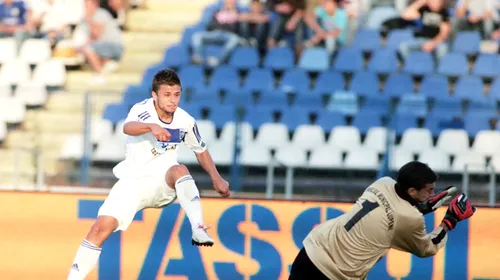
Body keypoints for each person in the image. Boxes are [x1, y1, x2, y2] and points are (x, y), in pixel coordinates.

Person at [67, 69, 231, 280]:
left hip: (163, 182)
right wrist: (151, 127)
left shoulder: (185, 121)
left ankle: (198, 227)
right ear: (155, 95)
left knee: (180, 169)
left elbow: (200, 150)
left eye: (177, 94)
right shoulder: (142, 109)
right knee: (99, 229)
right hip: (133, 182)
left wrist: (216, 178)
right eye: (167, 95)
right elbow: (128, 127)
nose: (173, 101)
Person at [289, 161, 476, 280]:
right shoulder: (410, 218)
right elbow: (426, 248)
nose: (432, 194)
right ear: (412, 191)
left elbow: (390, 215)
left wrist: (424, 205)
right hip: (334, 274)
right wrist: (449, 220)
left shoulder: (383, 182)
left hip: (313, 250)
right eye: (429, 190)